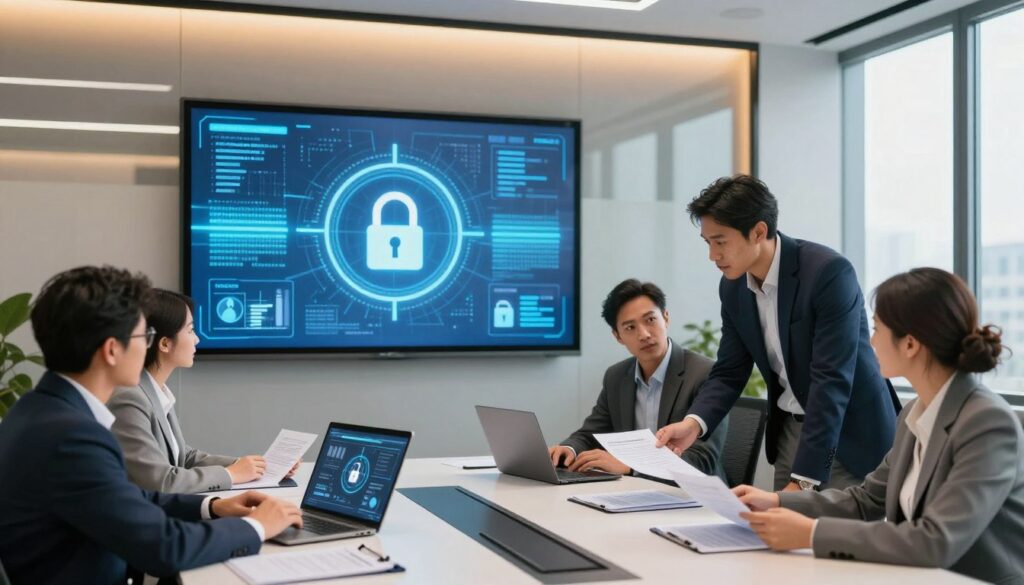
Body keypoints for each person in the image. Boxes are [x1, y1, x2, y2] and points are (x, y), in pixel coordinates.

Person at [0, 266, 303, 584]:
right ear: (112, 350)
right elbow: (165, 548)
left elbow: (127, 498)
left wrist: (213, 506)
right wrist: (257, 526)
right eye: (144, 336)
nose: (148, 346)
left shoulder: (36, 411)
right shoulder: (73, 438)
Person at [733, 268, 1023, 584]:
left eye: (877, 329)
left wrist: (812, 533)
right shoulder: (915, 412)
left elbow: (936, 541)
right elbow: (867, 500)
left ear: (910, 344)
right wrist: (776, 501)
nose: (871, 341)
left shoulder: (987, 422)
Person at [656, 175, 900, 491]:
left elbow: (831, 380)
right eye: (708, 243)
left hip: (848, 433)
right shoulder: (733, 287)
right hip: (790, 432)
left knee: (833, 522)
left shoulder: (827, 273)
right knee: (780, 521)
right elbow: (730, 371)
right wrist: (693, 424)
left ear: (758, 232)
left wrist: (804, 480)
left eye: (720, 242)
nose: (712, 255)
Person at [108, 289, 296, 493]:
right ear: (165, 343)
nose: (197, 339)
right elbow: (161, 481)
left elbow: (183, 457)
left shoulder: (155, 391)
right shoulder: (130, 398)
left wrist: (254, 467)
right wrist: (232, 474)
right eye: (190, 330)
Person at [549, 279, 727, 478]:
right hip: (634, 490)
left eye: (650, 320)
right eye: (630, 328)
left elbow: (702, 460)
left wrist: (632, 468)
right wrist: (568, 449)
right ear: (618, 336)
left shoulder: (705, 373)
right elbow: (591, 435)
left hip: (692, 492)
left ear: (665, 318)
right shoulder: (616, 377)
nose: (644, 334)